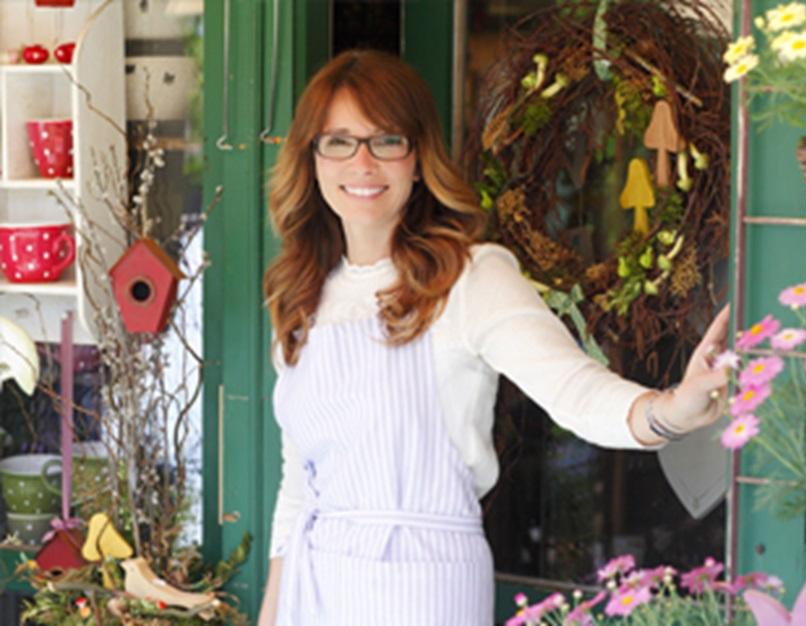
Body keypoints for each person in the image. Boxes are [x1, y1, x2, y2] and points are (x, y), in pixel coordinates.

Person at [257, 49, 730, 626]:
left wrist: (669, 412)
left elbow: (575, 391)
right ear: (310, 158)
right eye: (338, 141)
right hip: (315, 583)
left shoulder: (471, 277)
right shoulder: (301, 296)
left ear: (418, 157)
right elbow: (297, 489)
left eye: (386, 140)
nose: (362, 162)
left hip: (424, 584)